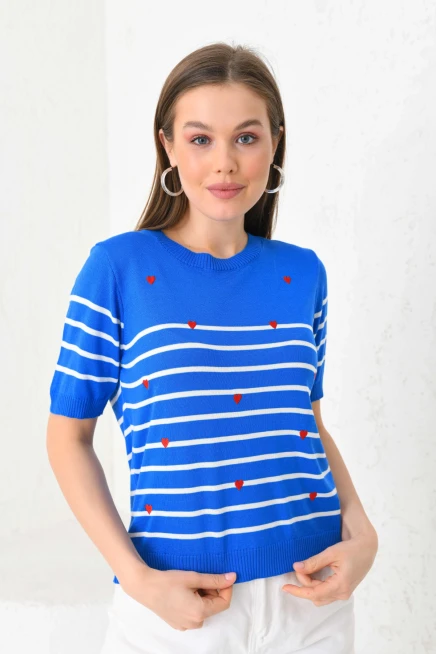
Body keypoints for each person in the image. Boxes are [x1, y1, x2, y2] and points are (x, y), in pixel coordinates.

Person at [47, 42, 377, 654]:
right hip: (179, 605)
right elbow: (67, 438)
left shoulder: (304, 273)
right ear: (168, 146)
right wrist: (138, 579)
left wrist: (363, 535)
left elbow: (306, 422)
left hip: (313, 598)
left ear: (275, 144)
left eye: (246, 137)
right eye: (200, 139)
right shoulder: (117, 269)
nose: (225, 163)